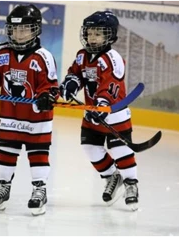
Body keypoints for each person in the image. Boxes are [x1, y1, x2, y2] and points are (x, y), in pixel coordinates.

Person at [0, 4, 59, 216]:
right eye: (15, 29)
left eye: (24, 29)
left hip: (36, 118)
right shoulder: (2, 53)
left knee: (37, 153)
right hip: (10, 116)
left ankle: (39, 189)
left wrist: (47, 96)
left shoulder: (43, 56)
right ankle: (3, 186)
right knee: (7, 151)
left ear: (35, 29)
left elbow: (50, 85)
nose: (18, 34)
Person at [59, 11, 139, 211]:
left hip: (114, 114)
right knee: (90, 148)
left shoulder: (113, 59)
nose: (92, 37)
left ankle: (131, 184)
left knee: (120, 150)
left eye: (98, 33)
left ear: (110, 35)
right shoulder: (82, 56)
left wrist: (102, 105)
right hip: (91, 113)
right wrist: (70, 84)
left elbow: (111, 85)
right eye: (89, 32)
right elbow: (76, 73)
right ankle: (112, 176)